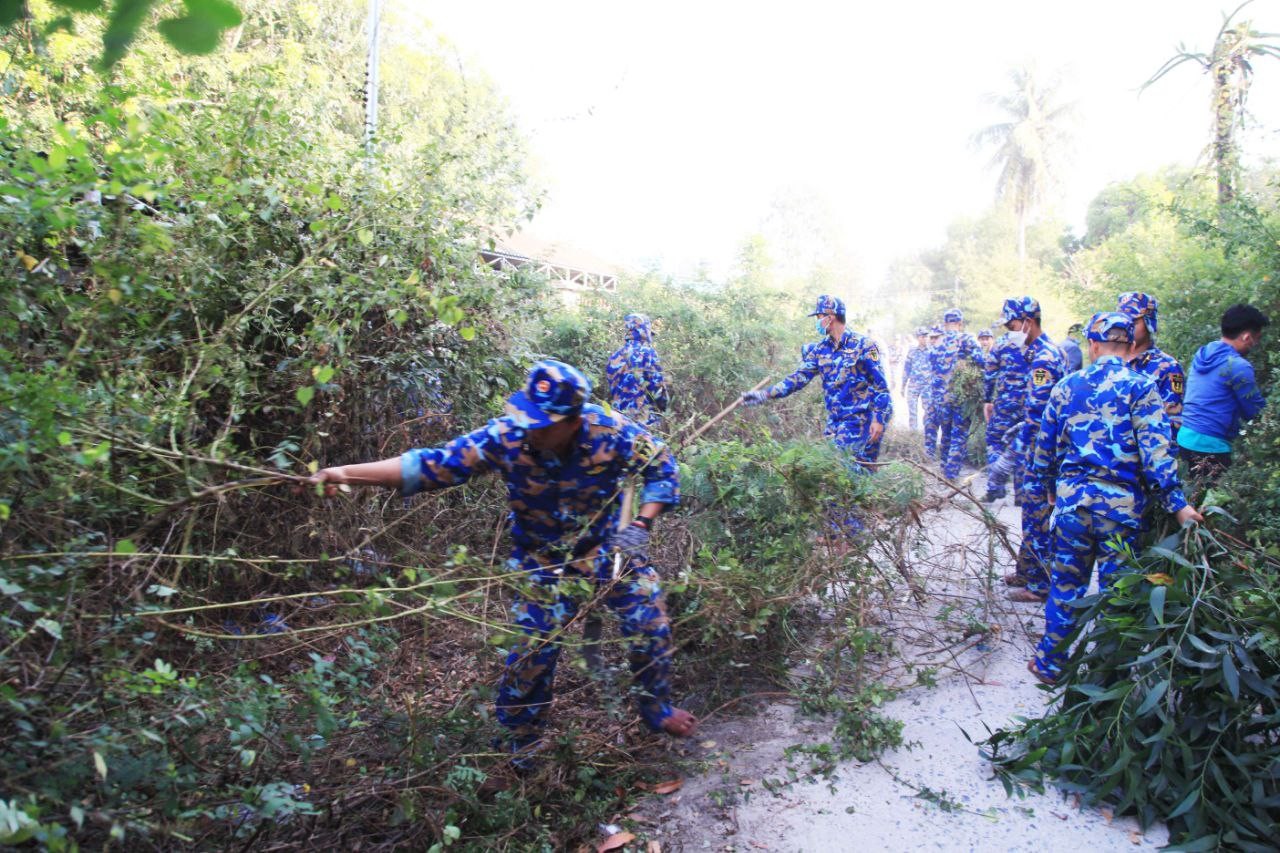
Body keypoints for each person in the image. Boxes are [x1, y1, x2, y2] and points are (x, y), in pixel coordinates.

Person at [308, 359, 697, 766]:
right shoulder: (507, 435)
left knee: (648, 623)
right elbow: (429, 465)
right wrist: (346, 473)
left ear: (574, 420)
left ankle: (657, 710)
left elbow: (661, 465)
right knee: (531, 653)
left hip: (609, 549)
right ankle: (519, 749)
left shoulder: (610, 432)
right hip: (541, 561)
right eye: (531, 417)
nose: (533, 429)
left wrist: (641, 522)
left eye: (546, 423)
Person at [1026, 313, 1202, 684]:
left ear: (1091, 346)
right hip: (1120, 513)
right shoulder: (1142, 387)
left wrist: (1041, 498)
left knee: (1066, 585)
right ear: (1131, 346)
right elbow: (1157, 455)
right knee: (1116, 594)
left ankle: (1051, 664)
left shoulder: (1066, 387)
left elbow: (1043, 452)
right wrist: (1178, 506)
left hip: (1072, 507)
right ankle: (1106, 678)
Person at [742, 295, 892, 465]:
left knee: (844, 469)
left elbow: (881, 387)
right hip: (834, 422)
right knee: (842, 476)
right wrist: (765, 394)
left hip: (860, 420)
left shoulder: (864, 345)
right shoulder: (820, 350)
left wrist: (879, 420)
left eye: (819, 317)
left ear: (830, 316)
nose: (817, 321)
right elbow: (798, 378)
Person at [998, 297, 1067, 603]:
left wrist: (1013, 451)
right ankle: (1027, 570)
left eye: (1013, 326)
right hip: (1036, 448)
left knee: (1038, 514)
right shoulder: (1036, 354)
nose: (1011, 332)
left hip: (1043, 453)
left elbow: (1039, 415)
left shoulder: (1043, 359)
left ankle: (1039, 585)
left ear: (1028, 322)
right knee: (1029, 511)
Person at [1177, 303, 1270, 489]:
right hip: (1210, 446)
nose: (1256, 344)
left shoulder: (1204, 353)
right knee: (1214, 504)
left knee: (1194, 494)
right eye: (1256, 339)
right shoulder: (1237, 366)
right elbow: (1254, 410)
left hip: (1185, 437)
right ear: (1246, 336)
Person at [1117, 292, 1184, 447]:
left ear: (1148, 322)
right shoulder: (1112, 360)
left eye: (1133, 322)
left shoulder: (1167, 367)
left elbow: (1172, 421)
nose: (1127, 328)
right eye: (1122, 322)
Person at [927, 309, 987, 481]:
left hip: (941, 398)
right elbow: (981, 361)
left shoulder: (937, 343)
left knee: (945, 434)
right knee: (958, 435)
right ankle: (951, 473)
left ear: (946, 324)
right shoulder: (966, 339)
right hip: (960, 397)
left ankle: (944, 467)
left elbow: (932, 366)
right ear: (960, 323)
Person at [606, 313, 669, 430]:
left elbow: (612, 389)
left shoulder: (614, 356)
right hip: (642, 423)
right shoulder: (648, 353)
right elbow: (658, 391)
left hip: (617, 421)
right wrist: (664, 409)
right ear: (645, 331)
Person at [982, 328, 1029, 477]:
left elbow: (989, 375)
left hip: (1005, 405)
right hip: (1029, 405)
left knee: (995, 441)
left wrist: (987, 400)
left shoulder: (1001, 344)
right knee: (1023, 445)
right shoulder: (1038, 344)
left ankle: (994, 486)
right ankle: (1020, 496)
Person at [901, 326, 931, 431]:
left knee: (928, 410)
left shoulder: (932, 351)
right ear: (918, 338)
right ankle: (913, 433)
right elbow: (907, 368)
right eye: (922, 337)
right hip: (913, 385)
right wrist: (903, 385)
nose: (925, 339)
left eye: (926, 336)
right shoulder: (912, 351)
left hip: (927, 385)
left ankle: (928, 433)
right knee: (912, 410)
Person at [922, 326, 944, 460]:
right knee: (929, 423)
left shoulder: (953, 351)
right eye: (932, 338)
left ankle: (946, 458)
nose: (933, 340)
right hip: (932, 396)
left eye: (937, 337)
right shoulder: (929, 352)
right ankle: (929, 455)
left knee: (948, 429)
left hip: (947, 398)